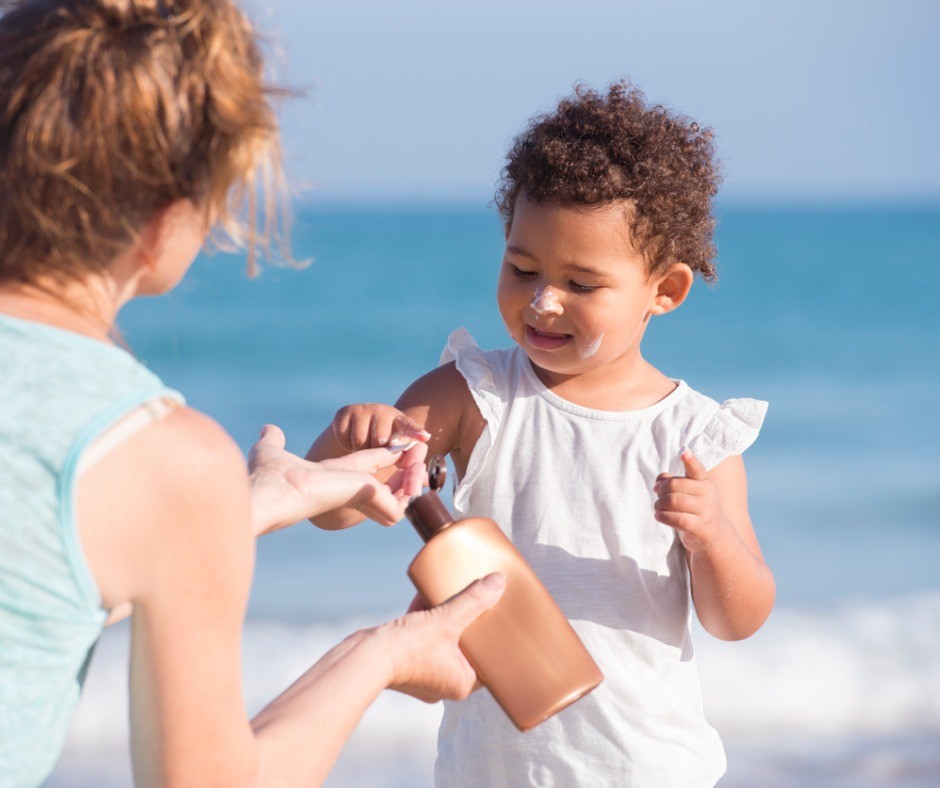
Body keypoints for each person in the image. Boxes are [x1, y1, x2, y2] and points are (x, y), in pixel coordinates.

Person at [0, 1, 505, 786]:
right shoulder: (157, 454)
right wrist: (382, 653)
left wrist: (254, 503)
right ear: (166, 219)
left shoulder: (165, 476)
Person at [308, 81, 776, 786]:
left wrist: (711, 540)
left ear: (665, 291)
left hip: (650, 766)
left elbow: (736, 618)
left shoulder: (693, 436)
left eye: (582, 284)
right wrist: (350, 446)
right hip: (496, 769)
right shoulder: (476, 394)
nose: (542, 300)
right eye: (522, 268)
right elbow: (335, 509)